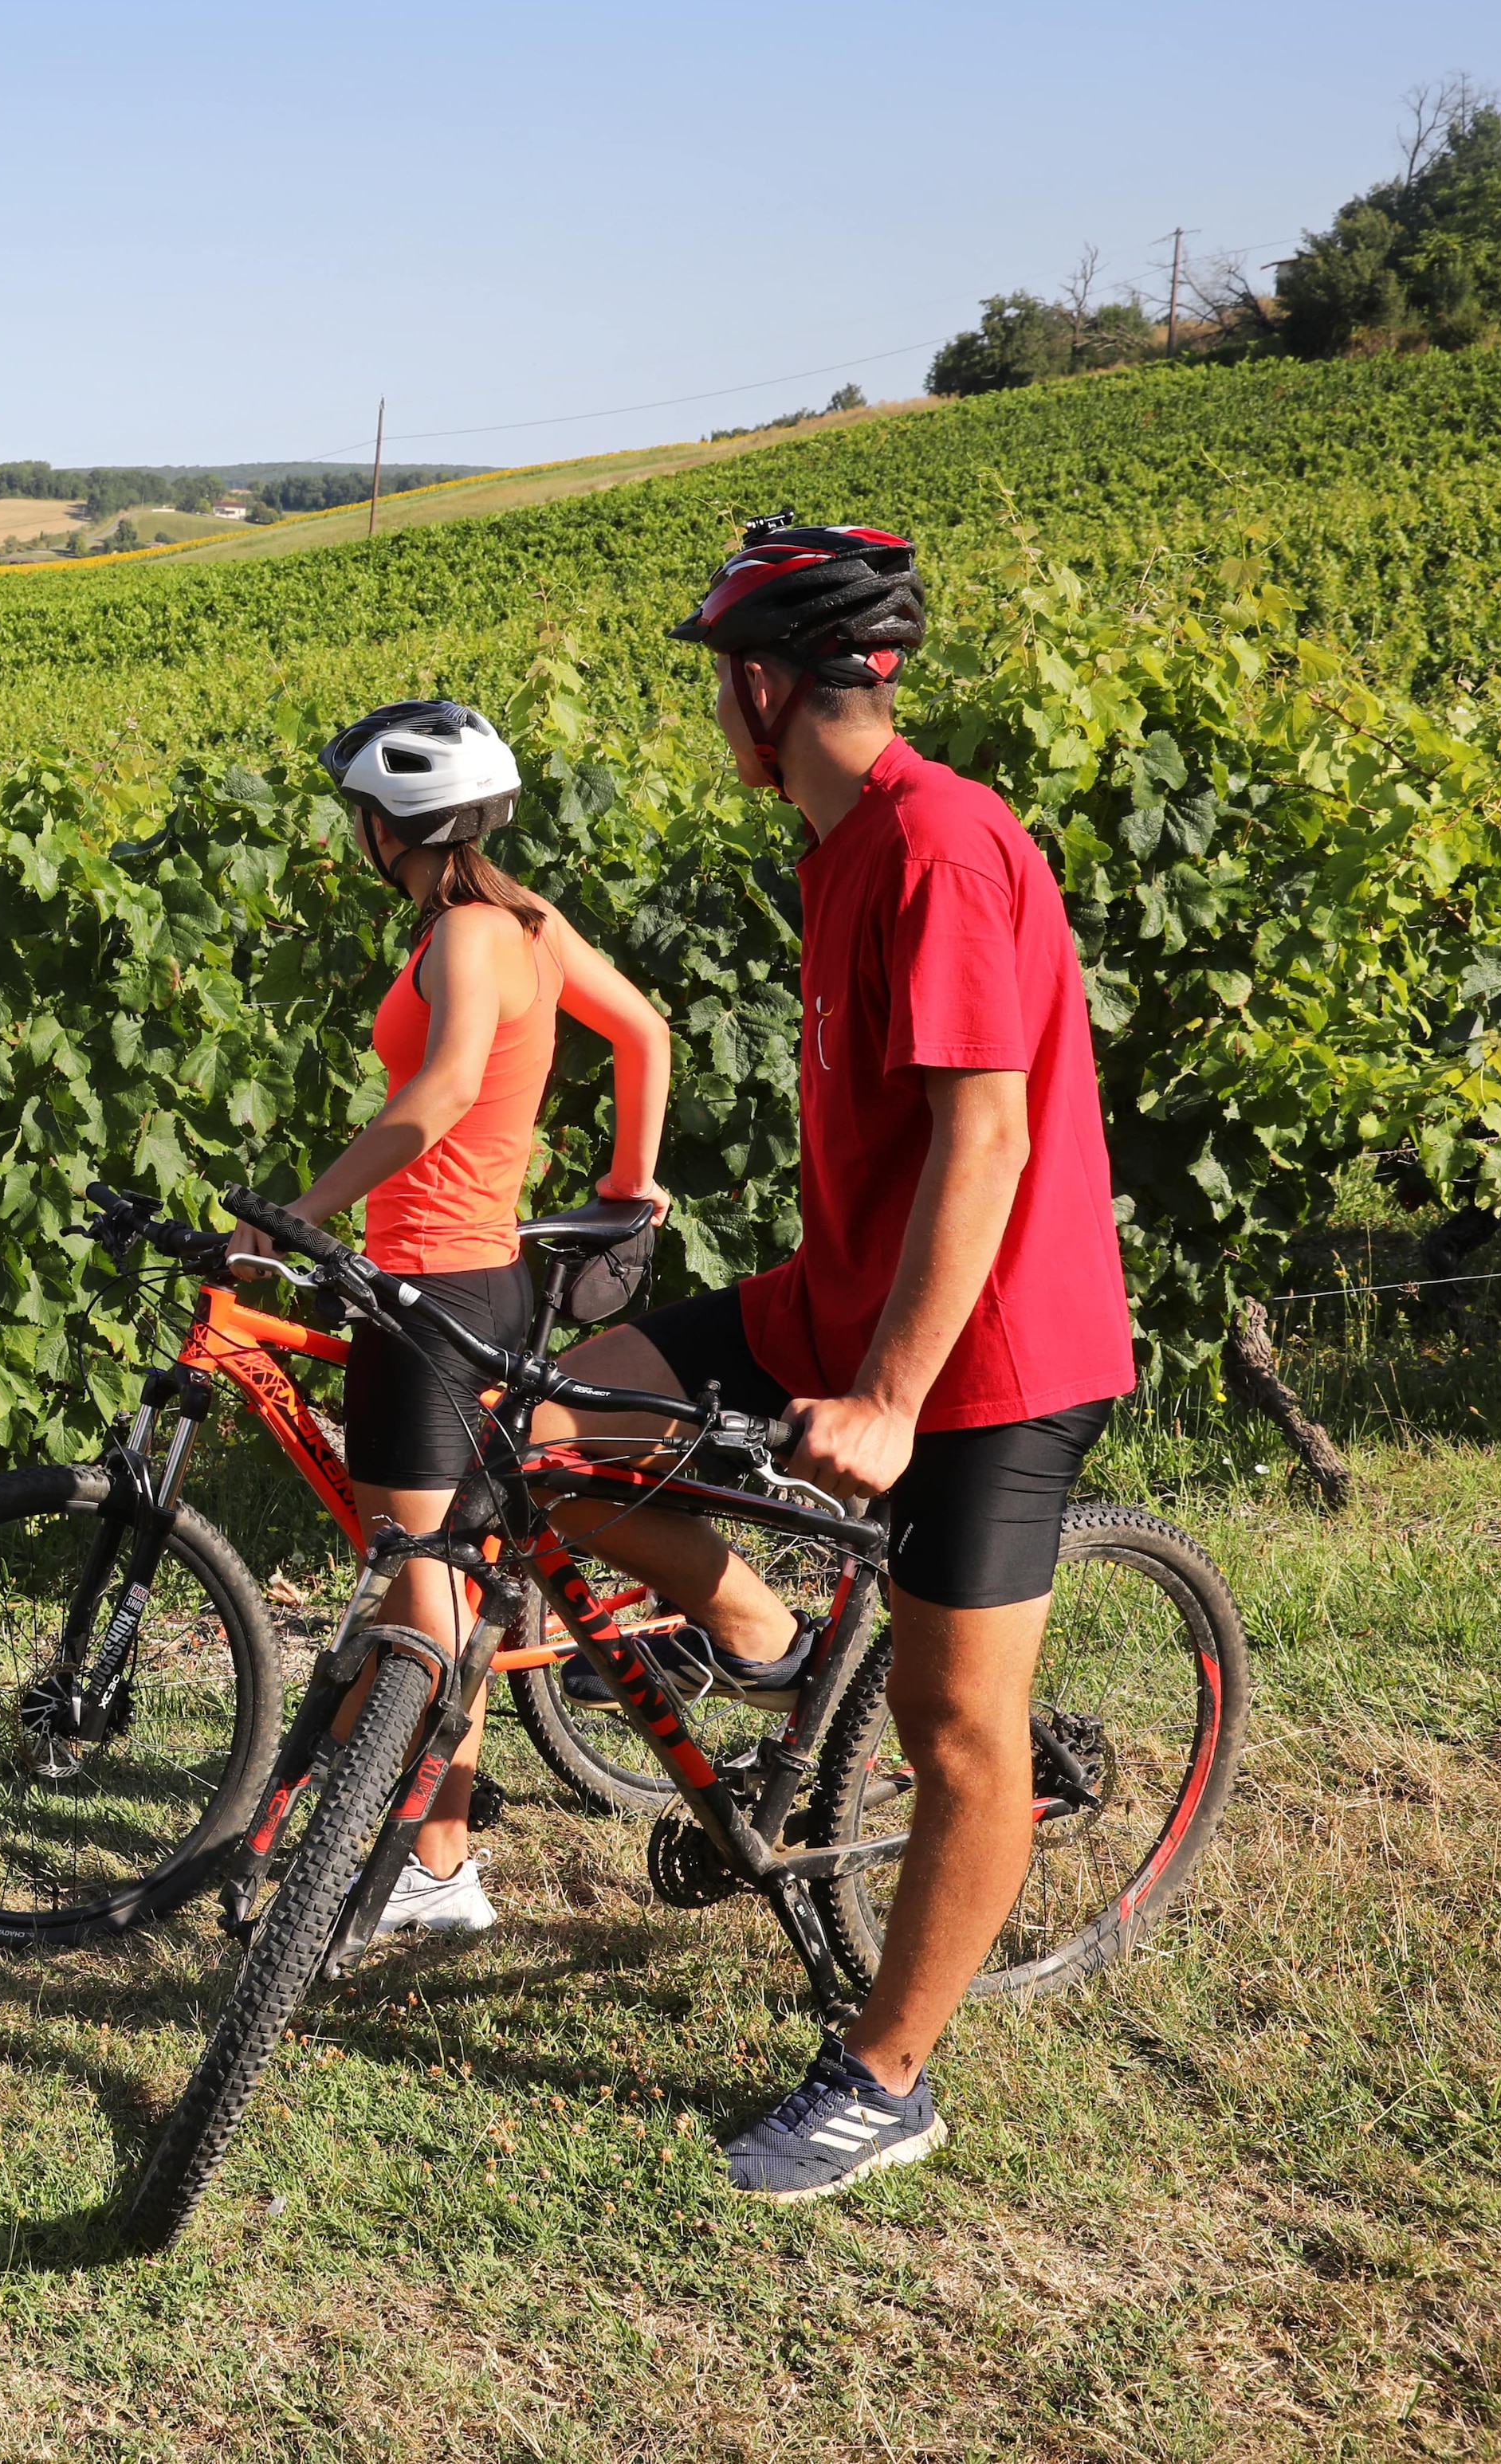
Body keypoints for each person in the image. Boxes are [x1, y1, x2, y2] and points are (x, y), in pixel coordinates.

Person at [532, 520, 1138, 2203]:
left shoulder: (939, 845)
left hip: (992, 1349)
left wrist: (887, 1396)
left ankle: (884, 2076)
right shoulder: (839, 843)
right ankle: (771, 1636)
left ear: (760, 684)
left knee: (958, 1726)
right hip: (845, 1291)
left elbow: (988, 1141)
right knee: (549, 1434)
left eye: (714, 687)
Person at [251, 701, 677, 1940]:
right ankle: (433, 1848)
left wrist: (298, 1212)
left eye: (365, 816)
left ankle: (440, 1862)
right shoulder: (533, 924)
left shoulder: (463, 938)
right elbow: (645, 1033)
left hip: (425, 1291)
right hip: (483, 1281)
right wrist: (625, 1191)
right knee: (451, 1582)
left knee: (421, 1596)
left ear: (402, 827)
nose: (358, 836)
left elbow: (437, 1092)